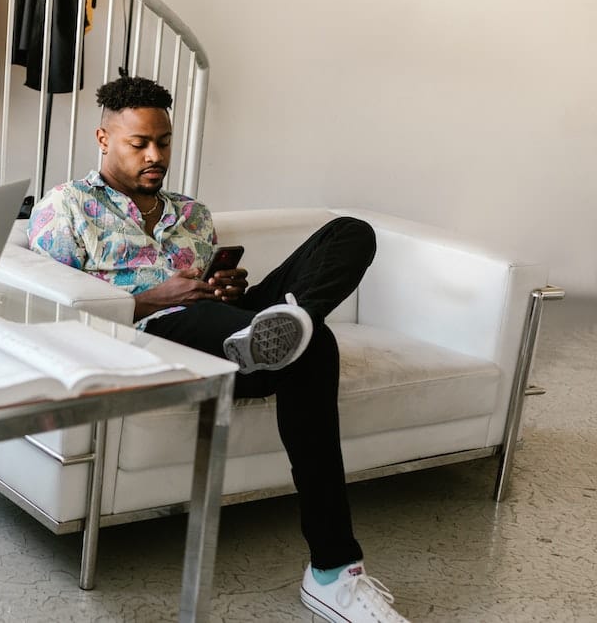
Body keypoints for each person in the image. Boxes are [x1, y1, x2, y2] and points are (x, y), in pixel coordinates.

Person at [27, 75, 410, 623]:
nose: (156, 155)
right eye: (140, 144)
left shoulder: (193, 214)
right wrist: (144, 299)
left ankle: (289, 324)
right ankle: (333, 570)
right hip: (157, 334)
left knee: (350, 231)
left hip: (225, 329)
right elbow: (48, 308)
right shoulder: (67, 207)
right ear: (104, 138)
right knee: (307, 347)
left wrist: (227, 290)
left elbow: (209, 288)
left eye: (164, 140)